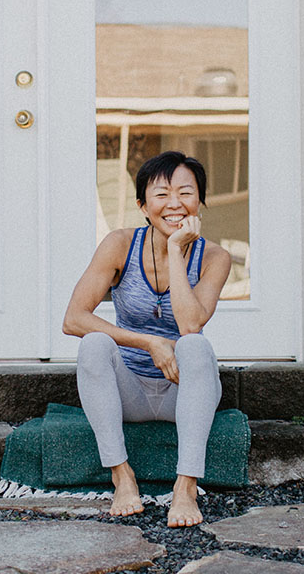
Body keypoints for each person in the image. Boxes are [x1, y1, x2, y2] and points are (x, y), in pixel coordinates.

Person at [61, 150, 232, 527]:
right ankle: (122, 476)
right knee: (93, 343)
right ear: (142, 205)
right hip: (130, 391)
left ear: (200, 202)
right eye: (161, 194)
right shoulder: (120, 244)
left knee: (195, 345)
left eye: (185, 193)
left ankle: (185, 486)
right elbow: (73, 319)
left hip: (182, 390)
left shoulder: (214, 257)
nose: (175, 203)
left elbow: (190, 325)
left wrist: (174, 249)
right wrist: (149, 342)